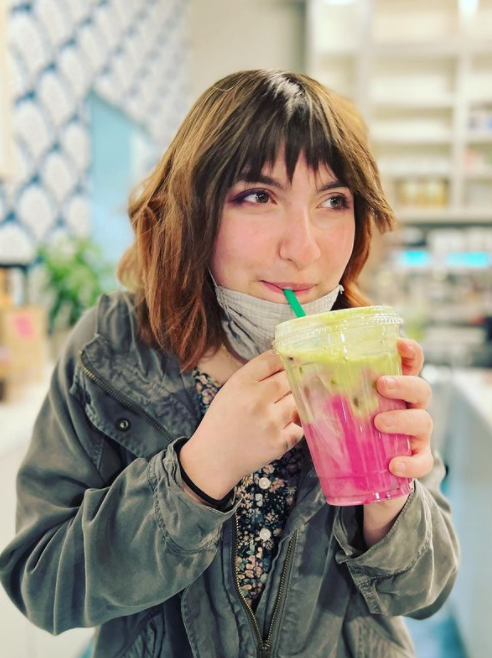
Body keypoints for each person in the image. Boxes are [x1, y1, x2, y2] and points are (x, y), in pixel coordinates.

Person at [0, 69, 459, 658]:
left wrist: (391, 500)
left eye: (333, 200)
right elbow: (44, 587)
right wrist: (198, 473)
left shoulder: (365, 349)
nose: (303, 247)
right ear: (193, 212)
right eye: (258, 196)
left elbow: (426, 594)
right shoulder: (112, 347)